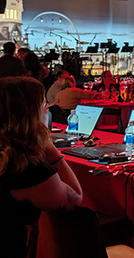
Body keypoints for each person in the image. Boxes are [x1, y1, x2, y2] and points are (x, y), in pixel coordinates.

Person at [0, 77, 83, 256]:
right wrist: (49, 146)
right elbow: (75, 197)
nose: (47, 111)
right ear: (31, 115)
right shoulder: (25, 168)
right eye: (44, 106)